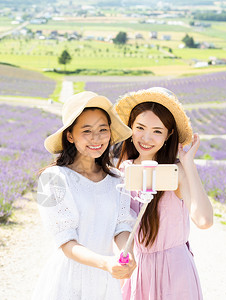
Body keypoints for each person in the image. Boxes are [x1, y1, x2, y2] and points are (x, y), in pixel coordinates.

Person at [33, 91, 137, 300]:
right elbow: (65, 241)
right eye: (86, 131)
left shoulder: (118, 179)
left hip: (105, 281)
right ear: (70, 135)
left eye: (102, 130)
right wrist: (105, 262)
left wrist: (127, 253)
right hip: (67, 280)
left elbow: (122, 225)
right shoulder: (52, 179)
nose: (96, 138)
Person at [114, 87, 213, 300]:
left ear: (169, 135)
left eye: (157, 131)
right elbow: (119, 224)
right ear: (130, 128)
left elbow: (204, 220)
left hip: (174, 271)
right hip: (137, 270)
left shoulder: (175, 173)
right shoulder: (122, 171)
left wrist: (188, 165)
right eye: (140, 127)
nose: (146, 137)